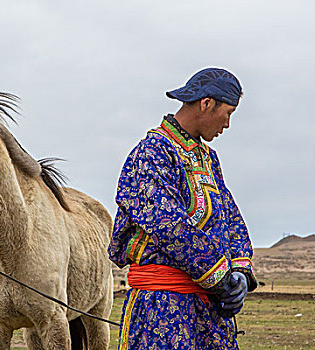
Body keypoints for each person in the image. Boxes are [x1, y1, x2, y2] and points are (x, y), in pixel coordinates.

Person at [108, 67, 257, 350]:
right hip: (163, 310)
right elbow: (169, 226)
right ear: (206, 103)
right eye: (228, 113)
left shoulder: (208, 159)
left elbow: (230, 216)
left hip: (209, 311)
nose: (227, 124)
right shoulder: (150, 154)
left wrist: (240, 270)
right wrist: (219, 275)